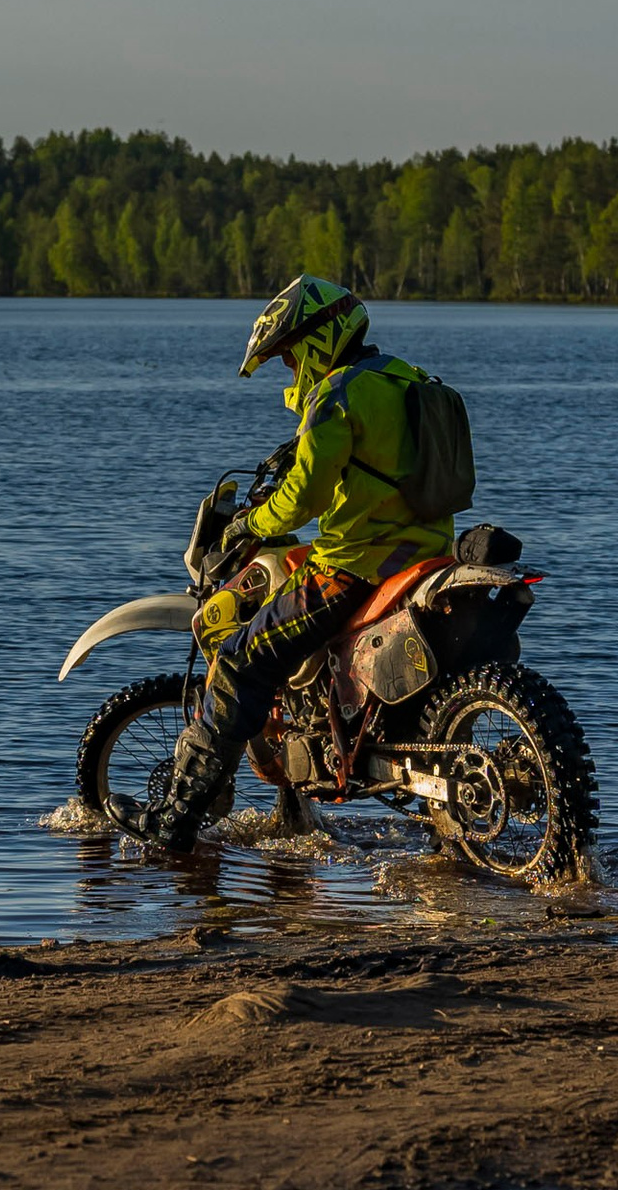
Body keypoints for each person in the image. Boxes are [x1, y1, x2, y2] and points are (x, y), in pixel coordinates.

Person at [149, 273, 458, 854]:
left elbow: (305, 496)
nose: (290, 373)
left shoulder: (336, 393)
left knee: (241, 661)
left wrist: (251, 523)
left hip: (352, 566)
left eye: (289, 359)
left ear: (317, 341)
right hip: (426, 554)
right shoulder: (403, 377)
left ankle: (175, 821)